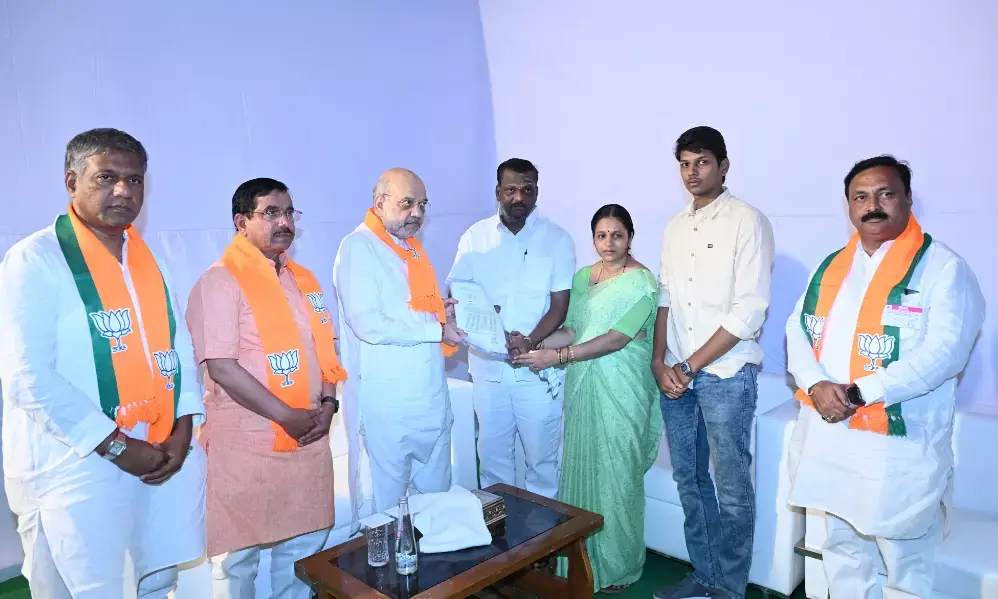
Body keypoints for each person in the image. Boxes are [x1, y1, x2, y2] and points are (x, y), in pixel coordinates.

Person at [0, 128, 206, 598]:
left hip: (156, 455)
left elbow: (179, 348)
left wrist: (183, 426)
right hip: (77, 466)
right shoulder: (35, 260)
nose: (123, 191)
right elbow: (26, 377)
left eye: (134, 180)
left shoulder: (149, 261)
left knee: (157, 580)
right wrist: (114, 446)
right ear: (71, 181)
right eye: (106, 177)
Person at [786, 156, 985, 598]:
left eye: (885, 193)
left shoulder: (943, 268)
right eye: (860, 197)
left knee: (905, 560)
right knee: (841, 547)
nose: (872, 205)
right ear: (849, 207)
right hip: (832, 439)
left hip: (898, 448)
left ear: (908, 198)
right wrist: (815, 384)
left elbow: (945, 353)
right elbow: (796, 329)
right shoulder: (832, 267)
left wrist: (861, 393)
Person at [186, 177, 346, 598]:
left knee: (303, 550)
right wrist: (285, 416)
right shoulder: (220, 281)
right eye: (271, 213)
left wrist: (328, 404)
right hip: (248, 446)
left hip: (307, 438)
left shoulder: (303, 279)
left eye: (289, 212)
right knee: (238, 561)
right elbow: (222, 367)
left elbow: (325, 348)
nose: (284, 222)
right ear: (241, 222)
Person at [651, 126, 775, 599]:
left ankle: (730, 587)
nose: (692, 172)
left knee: (731, 485)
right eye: (684, 164)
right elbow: (665, 298)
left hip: (726, 374)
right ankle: (704, 576)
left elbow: (749, 311)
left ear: (723, 166)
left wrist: (688, 366)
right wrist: (659, 362)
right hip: (676, 375)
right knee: (689, 478)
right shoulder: (674, 227)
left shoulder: (747, 221)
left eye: (702, 162)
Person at [514, 204, 662, 594]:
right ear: (593, 238)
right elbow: (573, 330)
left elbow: (616, 338)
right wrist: (535, 344)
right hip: (584, 383)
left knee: (618, 474)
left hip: (624, 386)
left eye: (617, 235)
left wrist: (558, 357)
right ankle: (579, 562)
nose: (608, 243)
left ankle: (619, 566)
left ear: (630, 237)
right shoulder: (584, 277)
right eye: (601, 235)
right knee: (582, 466)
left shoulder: (643, 283)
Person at [333, 168, 465, 519]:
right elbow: (368, 323)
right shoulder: (359, 247)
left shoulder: (412, 250)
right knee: (388, 517)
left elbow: (410, 311)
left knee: (437, 511)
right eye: (407, 203)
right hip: (389, 408)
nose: (417, 213)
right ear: (380, 204)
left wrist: (441, 313)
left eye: (422, 204)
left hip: (431, 400)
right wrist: (435, 328)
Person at [446, 158, 575, 499]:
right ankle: (502, 533)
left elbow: (559, 306)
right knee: (493, 465)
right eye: (511, 190)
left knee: (542, 465)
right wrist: (486, 327)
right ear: (497, 192)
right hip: (488, 371)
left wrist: (530, 340)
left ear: (536, 192)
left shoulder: (557, 239)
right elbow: (459, 293)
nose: (519, 197)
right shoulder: (475, 237)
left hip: (537, 371)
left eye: (527, 190)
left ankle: (543, 534)